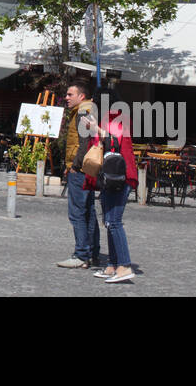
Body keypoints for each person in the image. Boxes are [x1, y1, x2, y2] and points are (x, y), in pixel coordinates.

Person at [56, 80, 101, 269]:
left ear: (81, 96)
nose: (66, 98)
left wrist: (74, 165)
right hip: (87, 169)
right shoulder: (87, 109)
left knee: (77, 213)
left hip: (80, 169)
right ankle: (92, 253)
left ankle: (81, 254)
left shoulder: (83, 111)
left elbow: (84, 142)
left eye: (70, 94)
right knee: (88, 212)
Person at [91, 108, 138, 283]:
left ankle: (124, 266)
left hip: (119, 178)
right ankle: (112, 265)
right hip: (111, 178)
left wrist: (96, 128)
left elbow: (114, 142)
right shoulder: (110, 118)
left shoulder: (116, 119)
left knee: (114, 221)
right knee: (109, 222)